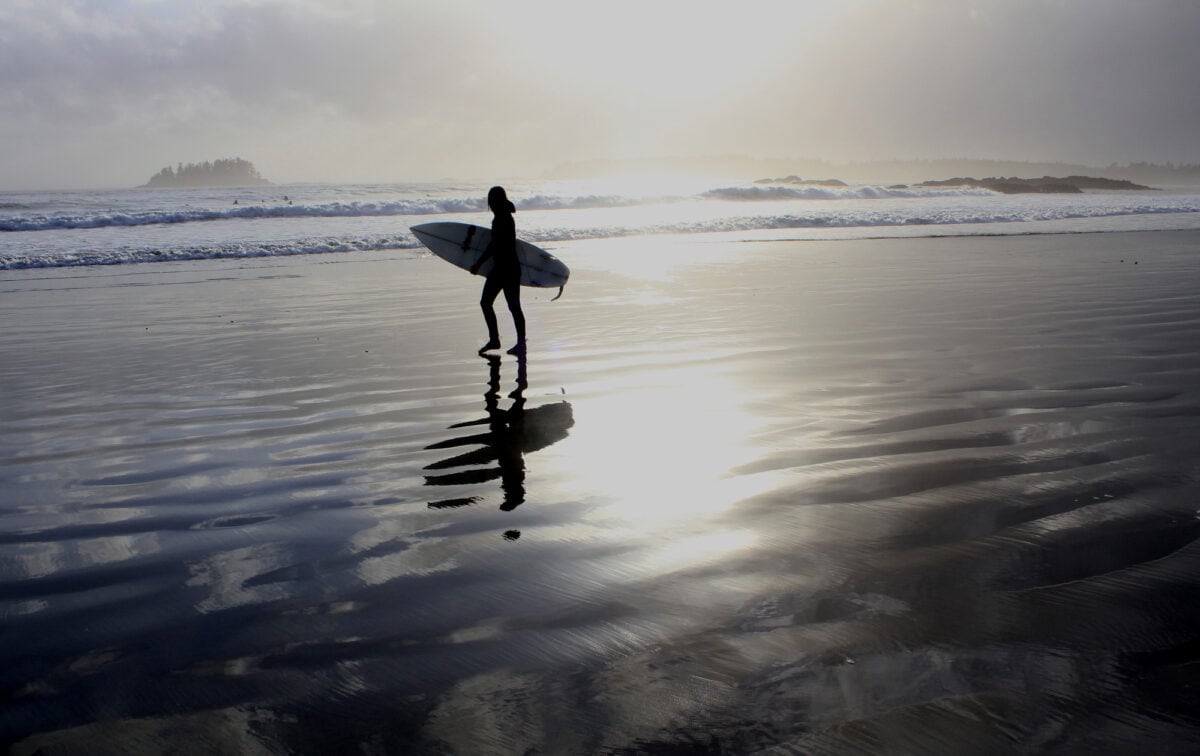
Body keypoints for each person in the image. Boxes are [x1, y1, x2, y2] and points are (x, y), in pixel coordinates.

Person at [470, 186, 526, 355]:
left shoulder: (501, 219)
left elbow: (494, 246)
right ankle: (519, 343)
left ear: (496, 202)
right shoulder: (506, 217)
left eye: (491, 201)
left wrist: (478, 264)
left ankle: (496, 340)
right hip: (512, 268)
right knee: (513, 306)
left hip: (503, 269)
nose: (490, 205)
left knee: (487, 303)